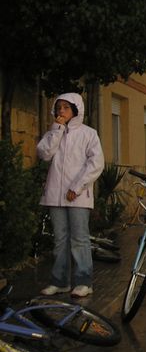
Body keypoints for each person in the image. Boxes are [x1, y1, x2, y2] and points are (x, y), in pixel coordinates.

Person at [37, 93, 104, 298]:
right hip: (54, 195)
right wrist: (57, 130)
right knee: (60, 239)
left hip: (78, 196)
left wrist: (77, 186)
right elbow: (44, 154)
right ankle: (60, 282)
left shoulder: (88, 134)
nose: (61, 111)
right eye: (59, 107)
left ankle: (84, 282)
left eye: (66, 107)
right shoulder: (53, 132)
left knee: (79, 239)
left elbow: (96, 163)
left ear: (76, 110)